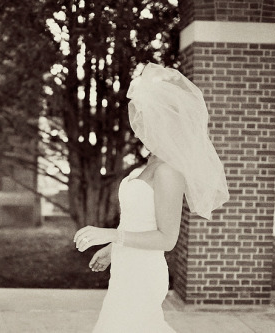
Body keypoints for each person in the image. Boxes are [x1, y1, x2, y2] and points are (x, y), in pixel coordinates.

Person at [74, 63, 229, 332]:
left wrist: (111, 235)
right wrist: (113, 250)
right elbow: (138, 221)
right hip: (126, 267)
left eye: (146, 116)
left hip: (143, 275)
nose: (139, 124)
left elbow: (167, 239)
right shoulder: (148, 164)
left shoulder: (168, 170)